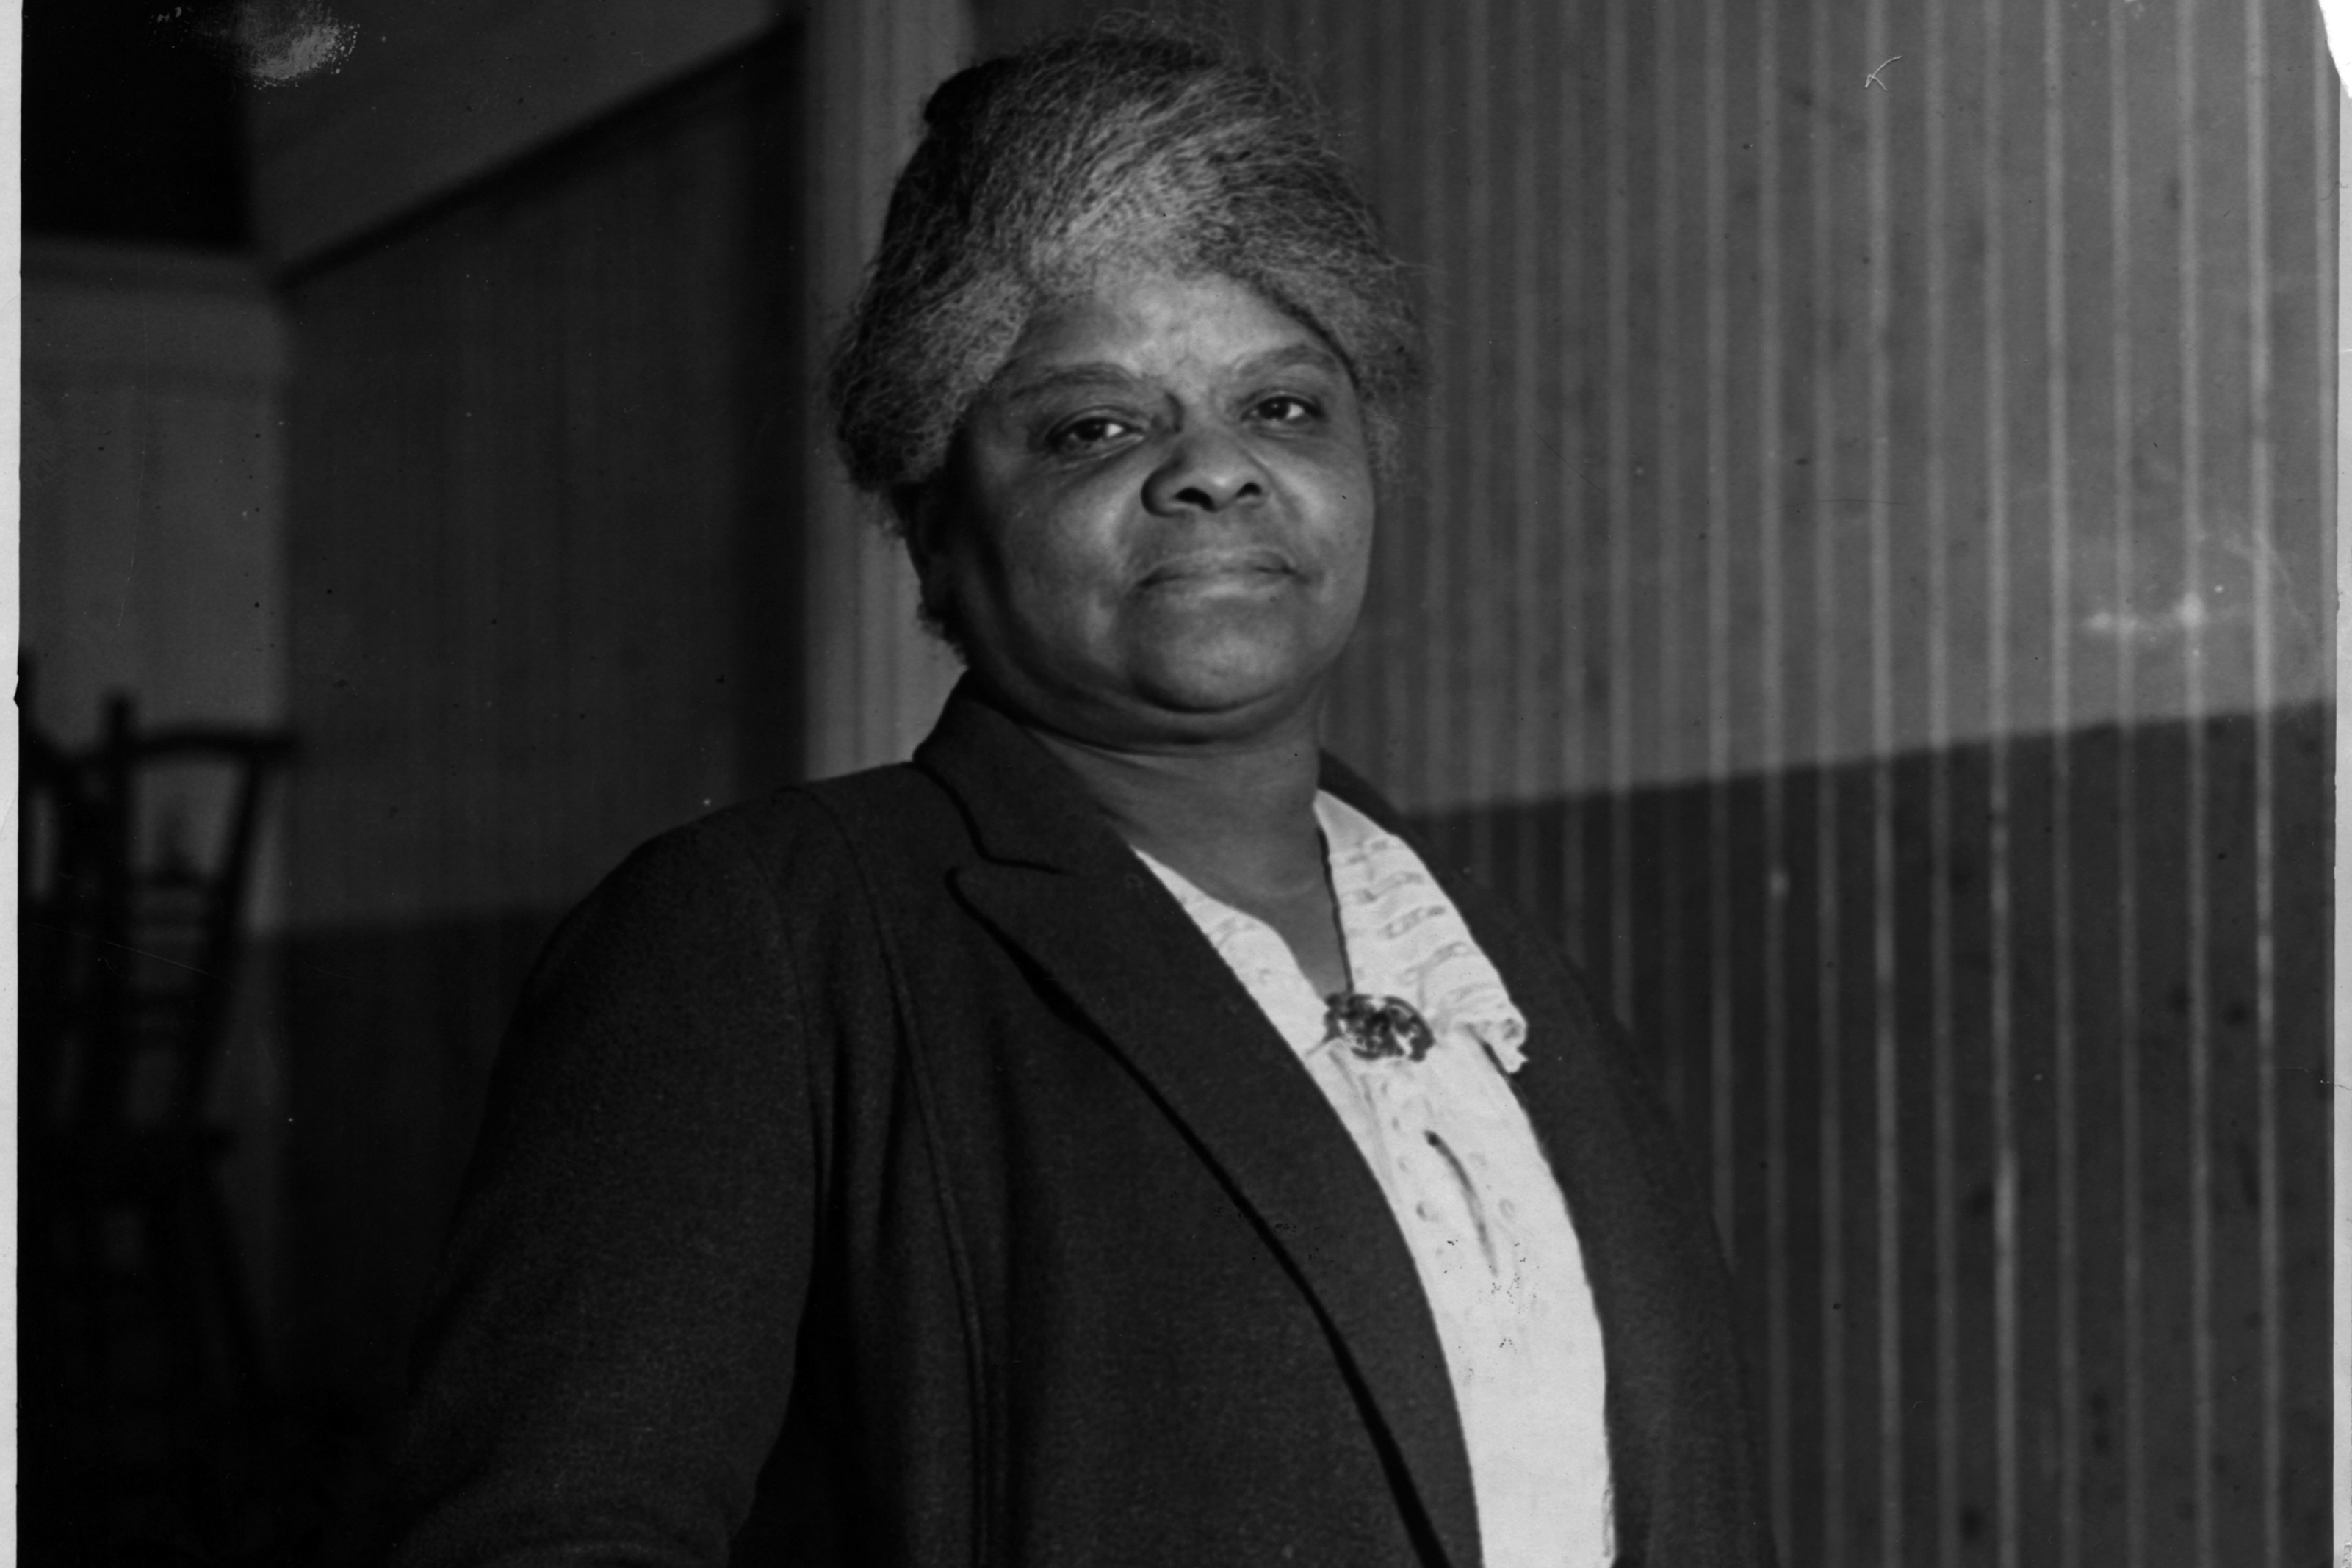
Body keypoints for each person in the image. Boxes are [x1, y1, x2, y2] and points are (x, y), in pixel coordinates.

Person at [386, 26, 1772, 1568]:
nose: (1213, 473)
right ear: (931, 524)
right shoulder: (763, 941)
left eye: (1284, 407)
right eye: (1093, 427)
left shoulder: (1478, 961)